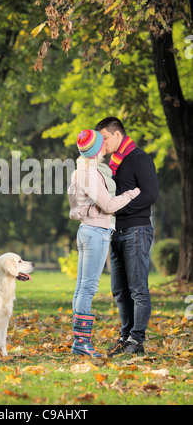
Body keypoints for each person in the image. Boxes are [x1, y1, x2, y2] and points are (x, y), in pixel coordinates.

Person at [68, 129, 141, 357]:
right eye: (102, 143)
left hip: (86, 230)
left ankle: (79, 341)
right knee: (88, 288)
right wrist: (133, 193)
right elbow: (109, 205)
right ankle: (82, 342)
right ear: (97, 149)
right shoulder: (90, 173)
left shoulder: (80, 171)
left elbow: (74, 205)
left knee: (82, 288)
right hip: (95, 232)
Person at [95, 117, 159, 356]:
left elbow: (151, 194)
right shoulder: (113, 162)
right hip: (115, 231)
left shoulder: (139, 159)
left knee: (138, 289)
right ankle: (125, 336)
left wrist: (118, 208)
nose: (102, 143)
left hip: (136, 230)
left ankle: (137, 340)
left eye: (105, 138)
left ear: (117, 134)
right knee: (120, 291)